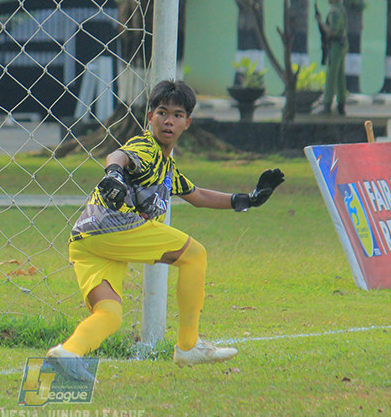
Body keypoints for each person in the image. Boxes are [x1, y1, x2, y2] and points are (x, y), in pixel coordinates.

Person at [46, 80, 285, 381]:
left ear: (188, 122)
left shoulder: (167, 167)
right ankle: (188, 346)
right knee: (195, 255)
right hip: (113, 228)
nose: (168, 120)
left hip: (86, 241)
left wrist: (246, 200)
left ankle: (68, 353)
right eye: (161, 112)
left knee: (109, 314)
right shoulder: (145, 148)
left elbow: (197, 196)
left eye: (177, 114)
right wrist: (115, 173)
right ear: (149, 117)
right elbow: (119, 155)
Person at [315, 0, 348, 115]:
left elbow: (332, 32)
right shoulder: (341, 10)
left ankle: (327, 104)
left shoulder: (334, 12)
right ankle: (341, 104)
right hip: (342, 45)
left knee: (331, 75)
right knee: (340, 76)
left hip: (335, 45)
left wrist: (320, 22)